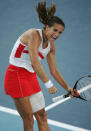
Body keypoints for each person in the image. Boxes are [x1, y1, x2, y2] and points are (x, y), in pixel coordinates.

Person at [4, 1, 75, 131]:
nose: (57, 34)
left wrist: (68, 88)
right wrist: (48, 84)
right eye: (55, 30)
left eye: (60, 32)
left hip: (30, 76)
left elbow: (53, 70)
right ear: (47, 27)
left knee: (42, 115)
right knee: (29, 119)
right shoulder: (33, 34)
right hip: (16, 75)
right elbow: (35, 61)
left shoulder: (51, 46)